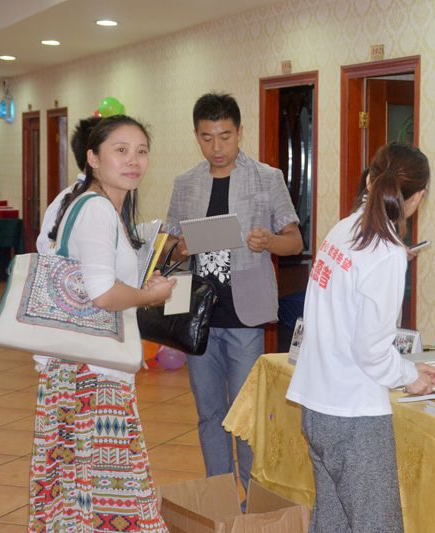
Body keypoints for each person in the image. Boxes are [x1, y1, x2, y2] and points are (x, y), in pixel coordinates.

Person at [29, 115, 175, 531]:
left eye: (141, 151)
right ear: (93, 158)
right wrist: (151, 296)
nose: (134, 161)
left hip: (74, 368)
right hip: (93, 377)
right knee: (116, 496)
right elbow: (103, 293)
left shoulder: (86, 203)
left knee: (80, 495)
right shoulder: (96, 209)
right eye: (121, 150)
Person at [286, 142, 435, 533]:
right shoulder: (386, 251)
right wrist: (411, 376)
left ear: (370, 179)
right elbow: (371, 350)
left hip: (318, 403)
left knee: (333, 522)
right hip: (353, 413)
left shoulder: (345, 228)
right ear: (418, 197)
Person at [165, 92, 303, 490]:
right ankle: (220, 495)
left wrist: (269, 242)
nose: (217, 147)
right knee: (209, 413)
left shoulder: (266, 178)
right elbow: (167, 246)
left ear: (240, 132)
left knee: (246, 414)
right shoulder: (186, 183)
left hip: (245, 315)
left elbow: (294, 241)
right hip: (198, 317)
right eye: (207, 137)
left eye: (225, 136)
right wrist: (180, 248)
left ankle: (253, 501)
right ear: (196, 135)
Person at [36, 115, 100, 253]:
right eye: (120, 150)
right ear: (92, 157)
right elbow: (48, 249)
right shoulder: (67, 201)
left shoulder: (112, 200)